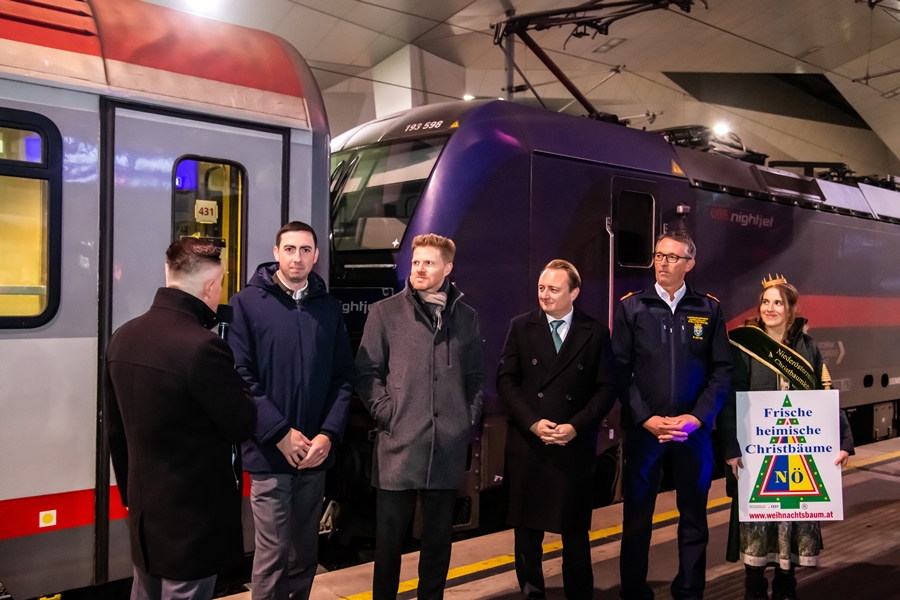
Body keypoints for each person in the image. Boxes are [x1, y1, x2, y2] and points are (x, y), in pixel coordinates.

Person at [104, 238, 257, 600]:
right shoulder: (203, 346)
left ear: (168, 274)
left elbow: (115, 430)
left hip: (146, 516)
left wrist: (131, 497)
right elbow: (241, 423)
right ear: (210, 286)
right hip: (194, 523)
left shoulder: (123, 337)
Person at [228, 221, 355, 600]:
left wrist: (328, 435)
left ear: (316, 257)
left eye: (305, 250)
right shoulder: (246, 304)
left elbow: (343, 377)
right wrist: (280, 433)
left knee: (304, 554)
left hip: (314, 453)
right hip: (269, 452)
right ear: (275, 253)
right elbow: (240, 375)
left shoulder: (329, 309)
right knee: (272, 556)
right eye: (289, 249)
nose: (297, 257)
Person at [355, 233, 484, 600]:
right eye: (416, 262)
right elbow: (366, 371)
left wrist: (465, 419)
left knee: (438, 543)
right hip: (398, 443)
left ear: (448, 268)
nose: (420, 269)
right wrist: (387, 412)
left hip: (446, 445)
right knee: (388, 544)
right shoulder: (385, 313)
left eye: (429, 262)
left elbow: (475, 377)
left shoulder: (467, 318)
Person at [612, 230, 732, 600]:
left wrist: (697, 418)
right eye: (659, 256)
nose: (663, 263)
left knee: (694, 516)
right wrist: (645, 417)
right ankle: (634, 591)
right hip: (646, 432)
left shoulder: (708, 309)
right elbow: (619, 369)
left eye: (672, 257)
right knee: (637, 517)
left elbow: (722, 371)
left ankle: (690, 590)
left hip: (692, 431)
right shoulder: (633, 307)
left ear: (690, 264)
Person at [717, 276, 854, 600]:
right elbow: (730, 398)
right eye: (765, 302)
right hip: (756, 451)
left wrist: (844, 440)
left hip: (798, 453)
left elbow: (824, 395)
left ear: (791, 309)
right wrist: (731, 448)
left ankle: (785, 586)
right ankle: (754, 587)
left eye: (778, 302)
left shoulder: (808, 347)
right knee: (757, 522)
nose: (770, 308)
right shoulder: (744, 344)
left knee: (792, 518)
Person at [497, 259, 617, 600]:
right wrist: (533, 422)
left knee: (575, 534)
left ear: (574, 293)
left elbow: (607, 388)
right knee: (526, 535)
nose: (545, 295)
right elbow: (506, 380)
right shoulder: (521, 326)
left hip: (572, 447)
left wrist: (575, 427)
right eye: (541, 288)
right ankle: (532, 594)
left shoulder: (595, 332)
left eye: (553, 289)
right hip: (529, 444)